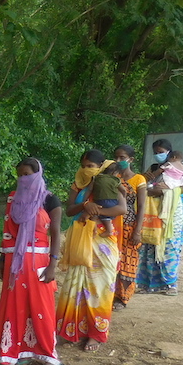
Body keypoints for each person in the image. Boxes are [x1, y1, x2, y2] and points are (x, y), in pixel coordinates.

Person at [0, 158, 62, 365]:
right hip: (15, 263)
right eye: (20, 175)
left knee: (41, 307)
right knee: (15, 306)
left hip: (39, 262)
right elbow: (7, 233)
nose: (23, 179)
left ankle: (49, 356)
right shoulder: (13, 199)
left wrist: (53, 264)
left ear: (37, 174)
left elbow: (56, 232)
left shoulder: (49, 199)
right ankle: (18, 352)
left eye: (27, 174)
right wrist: (2, 260)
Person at [56, 150, 126, 353]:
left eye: (91, 166)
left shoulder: (112, 181)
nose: (87, 169)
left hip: (103, 242)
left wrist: (95, 211)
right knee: (74, 286)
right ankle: (69, 330)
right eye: (84, 166)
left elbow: (121, 209)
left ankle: (95, 334)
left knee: (100, 287)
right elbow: (69, 210)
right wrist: (86, 204)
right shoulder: (78, 184)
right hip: (80, 239)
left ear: (101, 166)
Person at [137, 139, 183, 296]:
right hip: (153, 211)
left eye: (161, 152)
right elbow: (142, 182)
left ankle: (170, 284)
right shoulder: (154, 168)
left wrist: (163, 191)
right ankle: (147, 284)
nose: (158, 155)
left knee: (169, 246)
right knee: (150, 244)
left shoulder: (179, 166)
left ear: (169, 151)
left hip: (171, 212)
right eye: (156, 152)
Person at [113, 145, 147, 311]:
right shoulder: (113, 177)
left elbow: (141, 206)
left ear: (131, 160)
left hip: (129, 225)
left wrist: (137, 231)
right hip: (112, 224)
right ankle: (110, 294)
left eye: (122, 158)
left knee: (128, 261)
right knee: (112, 259)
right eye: (116, 157)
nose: (119, 161)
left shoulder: (138, 179)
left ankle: (123, 297)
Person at [80, 162, 124, 237]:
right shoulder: (115, 179)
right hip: (112, 201)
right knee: (106, 218)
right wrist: (124, 196)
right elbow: (123, 190)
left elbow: (89, 190)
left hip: (98, 201)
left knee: (94, 215)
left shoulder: (96, 178)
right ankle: (109, 230)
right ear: (115, 173)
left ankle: (93, 231)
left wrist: (84, 201)